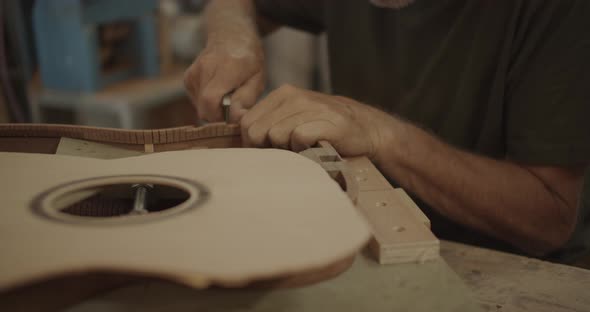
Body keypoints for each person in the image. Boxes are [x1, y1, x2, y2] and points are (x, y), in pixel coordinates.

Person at [184, 0, 590, 261]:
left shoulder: (559, 12)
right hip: (369, 233)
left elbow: (549, 219)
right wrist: (232, 34)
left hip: (512, 264)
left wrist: (382, 134)